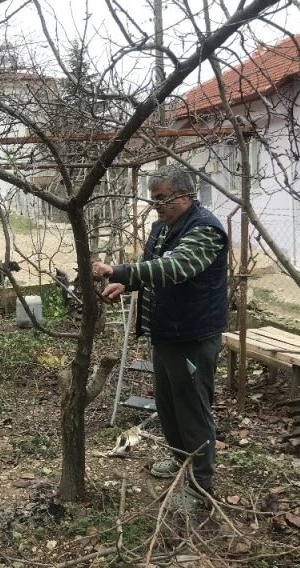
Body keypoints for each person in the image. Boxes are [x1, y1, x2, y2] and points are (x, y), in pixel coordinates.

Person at [92, 165, 228, 511]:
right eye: (153, 200)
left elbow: (177, 267)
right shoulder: (162, 227)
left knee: (193, 410)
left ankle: (200, 484)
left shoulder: (205, 230)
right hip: (166, 334)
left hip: (193, 337)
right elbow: (151, 264)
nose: (156, 207)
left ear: (184, 195)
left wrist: (121, 271)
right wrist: (129, 281)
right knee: (169, 407)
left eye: (161, 199)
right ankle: (181, 458)